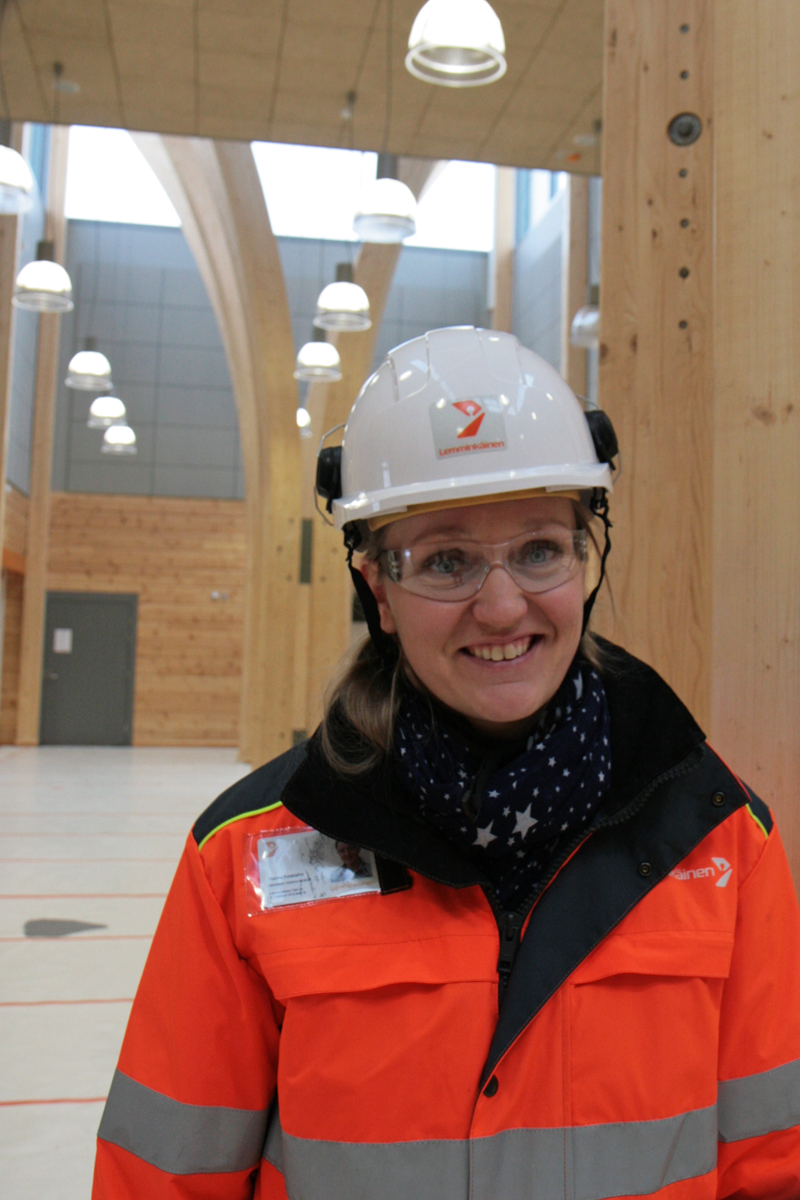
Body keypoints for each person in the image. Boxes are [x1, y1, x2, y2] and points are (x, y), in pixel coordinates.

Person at [92, 327, 800, 1200]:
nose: (502, 608)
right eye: (447, 562)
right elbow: (164, 1178)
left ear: (586, 557)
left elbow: (774, 1164)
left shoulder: (722, 837)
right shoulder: (245, 858)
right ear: (377, 590)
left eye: (541, 549)